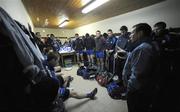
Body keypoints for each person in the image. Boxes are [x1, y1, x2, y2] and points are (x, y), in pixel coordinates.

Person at [122, 23, 159, 112]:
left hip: (136, 90)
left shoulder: (143, 49)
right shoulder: (147, 45)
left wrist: (129, 89)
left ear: (140, 33)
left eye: (132, 32)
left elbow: (137, 75)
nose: (130, 35)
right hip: (144, 88)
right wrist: (128, 55)